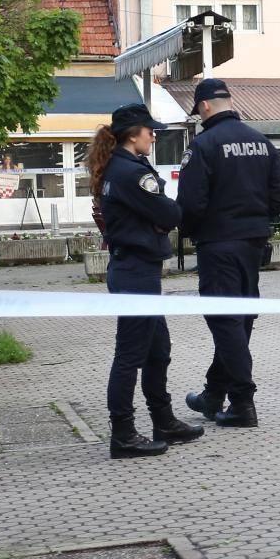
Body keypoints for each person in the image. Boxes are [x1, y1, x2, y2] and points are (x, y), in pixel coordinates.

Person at [88, 103, 204, 459]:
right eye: (148, 130)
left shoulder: (122, 167)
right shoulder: (130, 172)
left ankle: (163, 419)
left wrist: (157, 220)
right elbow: (170, 213)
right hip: (135, 272)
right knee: (130, 355)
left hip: (136, 269)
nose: (153, 135)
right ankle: (123, 434)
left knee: (158, 350)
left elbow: (161, 216)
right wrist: (160, 219)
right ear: (132, 134)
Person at [178, 78, 280, 428]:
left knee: (226, 322)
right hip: (253, 245)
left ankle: (242, 402)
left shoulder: (203, 145)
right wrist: (255, 223)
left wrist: (195, 232)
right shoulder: (261, 142)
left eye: (197, 111)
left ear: (205, 106)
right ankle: (213, 394)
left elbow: (190, 204)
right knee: (239, 321)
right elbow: (279, 199)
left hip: (218, 246)